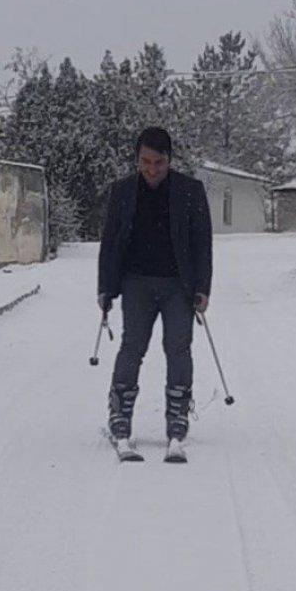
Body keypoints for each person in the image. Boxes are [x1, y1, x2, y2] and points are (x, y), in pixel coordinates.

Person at [97, 127, 213, 460]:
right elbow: (109, 243)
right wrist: (105, 288)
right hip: (136, 283)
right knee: (132, 347)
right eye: (145, 162)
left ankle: (177, 418)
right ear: (137, 159)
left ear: (169, 160)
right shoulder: (122, 192)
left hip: (179, 284)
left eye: (158, 162)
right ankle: (120, 416)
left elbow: (202, 243)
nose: (151, 169)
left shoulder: (190, 191)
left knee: (179, 348)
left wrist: (203, 287)